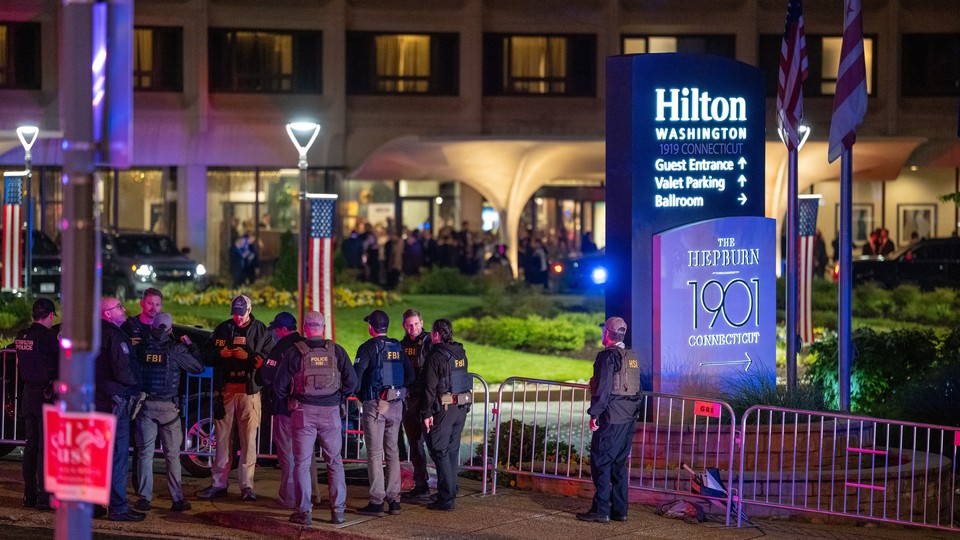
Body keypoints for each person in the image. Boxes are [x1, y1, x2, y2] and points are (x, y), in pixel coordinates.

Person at [274, 311, 358, 526]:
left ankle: (304, 512)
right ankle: (338, 511)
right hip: (330, 413)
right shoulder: (336, 351)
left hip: (303, 413)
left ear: (305, 327)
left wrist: (290, 402)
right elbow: (352, 381)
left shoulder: (295, 353)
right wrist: (338, 398)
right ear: (323, 327)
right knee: (335, 462)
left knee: (301, 463)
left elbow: (279, 385)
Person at [197, 295, 273, 501]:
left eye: (241, 314)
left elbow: (269, 358)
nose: (237, 318)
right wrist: (219, 354)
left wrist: (248, 357)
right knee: (222, 440)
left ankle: (247, 486)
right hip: (226, 390)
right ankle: (219, 483)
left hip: (249, 392)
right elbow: (206, 354)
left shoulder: (260, 330)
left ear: (249, 310)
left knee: (248, 440)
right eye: (234, 313)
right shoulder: (223, 329)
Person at [133, 312, 203, 512]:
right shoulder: (175, 349)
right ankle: (177, 499)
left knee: (145, 453)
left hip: (145, 405)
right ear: (170, 330)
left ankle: (144, 498)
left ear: (152, 328)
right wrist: (191, 345)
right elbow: (198, 367)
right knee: (172, 455)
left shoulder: (141, 348)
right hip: (168, 409)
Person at [576, 317, 641, 523]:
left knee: (601, 463)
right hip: (628, 419)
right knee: (618, 465)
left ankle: (601, 509)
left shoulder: (608, 357)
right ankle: (620, 510)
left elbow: (603, 388)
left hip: (611, 419)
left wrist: (594, 414)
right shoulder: (631, 356)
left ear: (607, 334)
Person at [254, 311, 319, 509]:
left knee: (288, 453)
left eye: (276, 329)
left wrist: (260, 367)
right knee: (308, 455)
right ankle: (313, 493)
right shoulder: (306, 344)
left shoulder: (281, 347)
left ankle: (290, 496)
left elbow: (265, 377)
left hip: (286, 408)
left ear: (282, 329)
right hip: (309, 407)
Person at [353, 310, 414, 517]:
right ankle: (395, 500)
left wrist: (362, 397)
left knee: (374, 453)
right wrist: (396, 391)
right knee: (393, 452)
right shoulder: (397, 347)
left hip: (375, 405)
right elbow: (410, 374)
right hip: (395, 404)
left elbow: (356, 378)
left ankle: (377, 501)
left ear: (371, 327)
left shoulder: (368, 348)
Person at [96, 297, 145, 521]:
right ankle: (118, 507)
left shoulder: (91, 333)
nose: (124, 310)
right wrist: (136, 384)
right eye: (119, 307)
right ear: (107, 313)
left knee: (97, 454)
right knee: (117, 456)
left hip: (95, 400)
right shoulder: (116, 337)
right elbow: (123, 372)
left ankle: (95, 504)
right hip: (115, 401)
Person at [421, 319, 471, 511]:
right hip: (460, 408)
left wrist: (426, 413)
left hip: (444, 410)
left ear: (436, 334)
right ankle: (449, 490)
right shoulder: (460, 352)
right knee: (451, 451)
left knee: (439, 450)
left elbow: (429, 388)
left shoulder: (436, 356)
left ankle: (446, 498)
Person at [14, 298, 59, 511]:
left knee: (31, 447)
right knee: (44, 448)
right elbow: (60, 361)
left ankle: (28, 495)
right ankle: (44, 496)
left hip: (27, 396)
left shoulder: (22, 336)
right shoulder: (48, 337)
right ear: (50, 315)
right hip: (45, 395)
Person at [399, 309, 432, 499]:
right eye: (409, 325)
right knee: (415, 444)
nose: (413, 328)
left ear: (422, 322)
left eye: (416, 324)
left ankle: (447, 485)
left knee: (434, 444)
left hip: (426, 400)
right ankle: (421, 484)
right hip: (410, 399)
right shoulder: (401, 345)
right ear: (404, 325)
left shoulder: (430, 342)